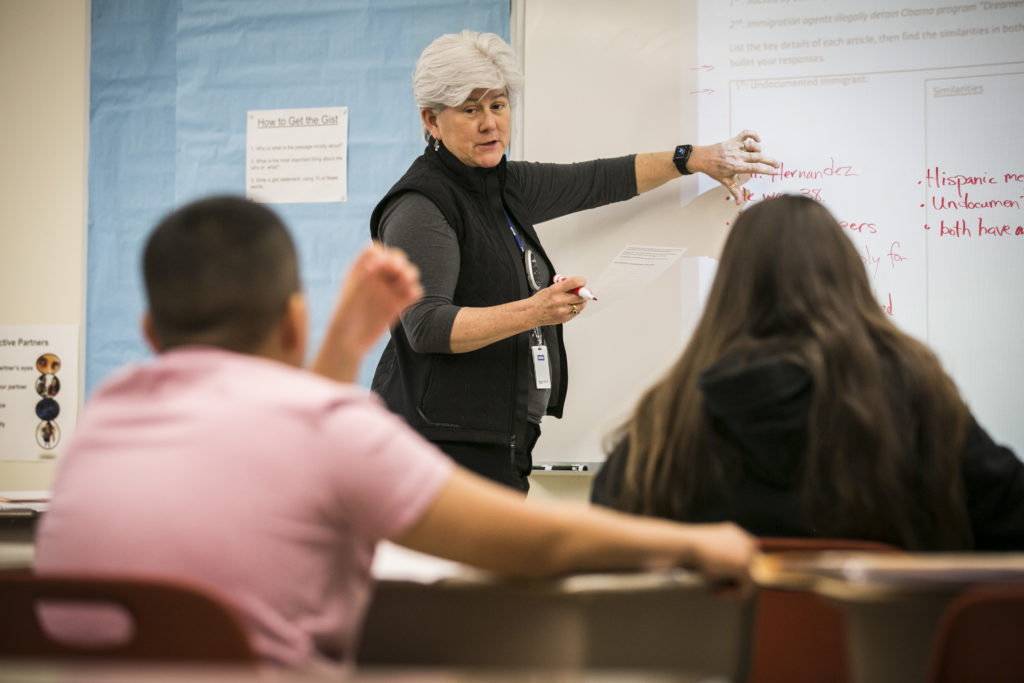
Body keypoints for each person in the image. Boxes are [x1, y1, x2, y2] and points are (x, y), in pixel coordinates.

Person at [33, 195, 756, 670]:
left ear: (151, 330)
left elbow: (280, 445)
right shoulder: (325, 427)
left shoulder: (106, 418)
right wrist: (695, 540)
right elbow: (538, 540)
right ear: (293, 320)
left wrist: (346, 346)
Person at [369, 30, 781, 492]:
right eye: (470, 109)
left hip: (495, 441)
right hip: (436, 448)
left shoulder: (504, 185)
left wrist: (693, 158)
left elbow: (599, 180)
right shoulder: (420, 205)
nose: (490, 123)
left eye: (499, 105)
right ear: (431, 120)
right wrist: (536, 311)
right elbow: (426, 326)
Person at [590, 194, 1024, 551]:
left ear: (730, 290)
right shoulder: (915, 392)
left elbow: (607, 537)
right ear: (849, 278)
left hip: (726, 657)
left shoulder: (672, 416)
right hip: (888, 653)